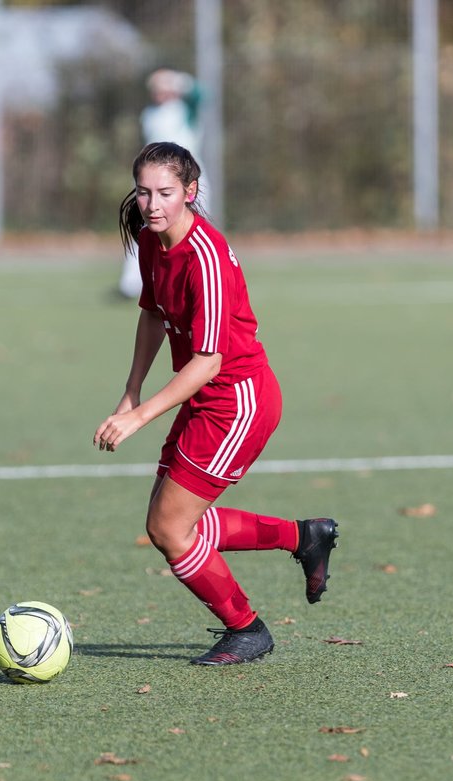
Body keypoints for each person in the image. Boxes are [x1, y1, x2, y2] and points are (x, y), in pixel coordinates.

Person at [94, 141, 338, 666]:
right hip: (206, 397)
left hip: (237, 401)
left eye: (165, 193)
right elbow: (153, 315)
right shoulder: (149, 238)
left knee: (169, 527)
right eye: (143, 191)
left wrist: (138, 417)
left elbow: (207, 361)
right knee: (177, 525)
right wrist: (131, 388)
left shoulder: (205, 256)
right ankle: (305, 536)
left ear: (191, 191)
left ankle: (247, 629)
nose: (153, 204)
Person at [117, 69, 208, 299]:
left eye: (163, 89)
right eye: (156, 90)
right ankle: (132, 284)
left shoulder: (184, 110)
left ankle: (194, 280)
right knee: (143, 229)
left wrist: (176, 79)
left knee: (194, 231)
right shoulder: (150, 114)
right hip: (157, 181)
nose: (159, 93)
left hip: (186, 179)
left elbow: (202, 95)